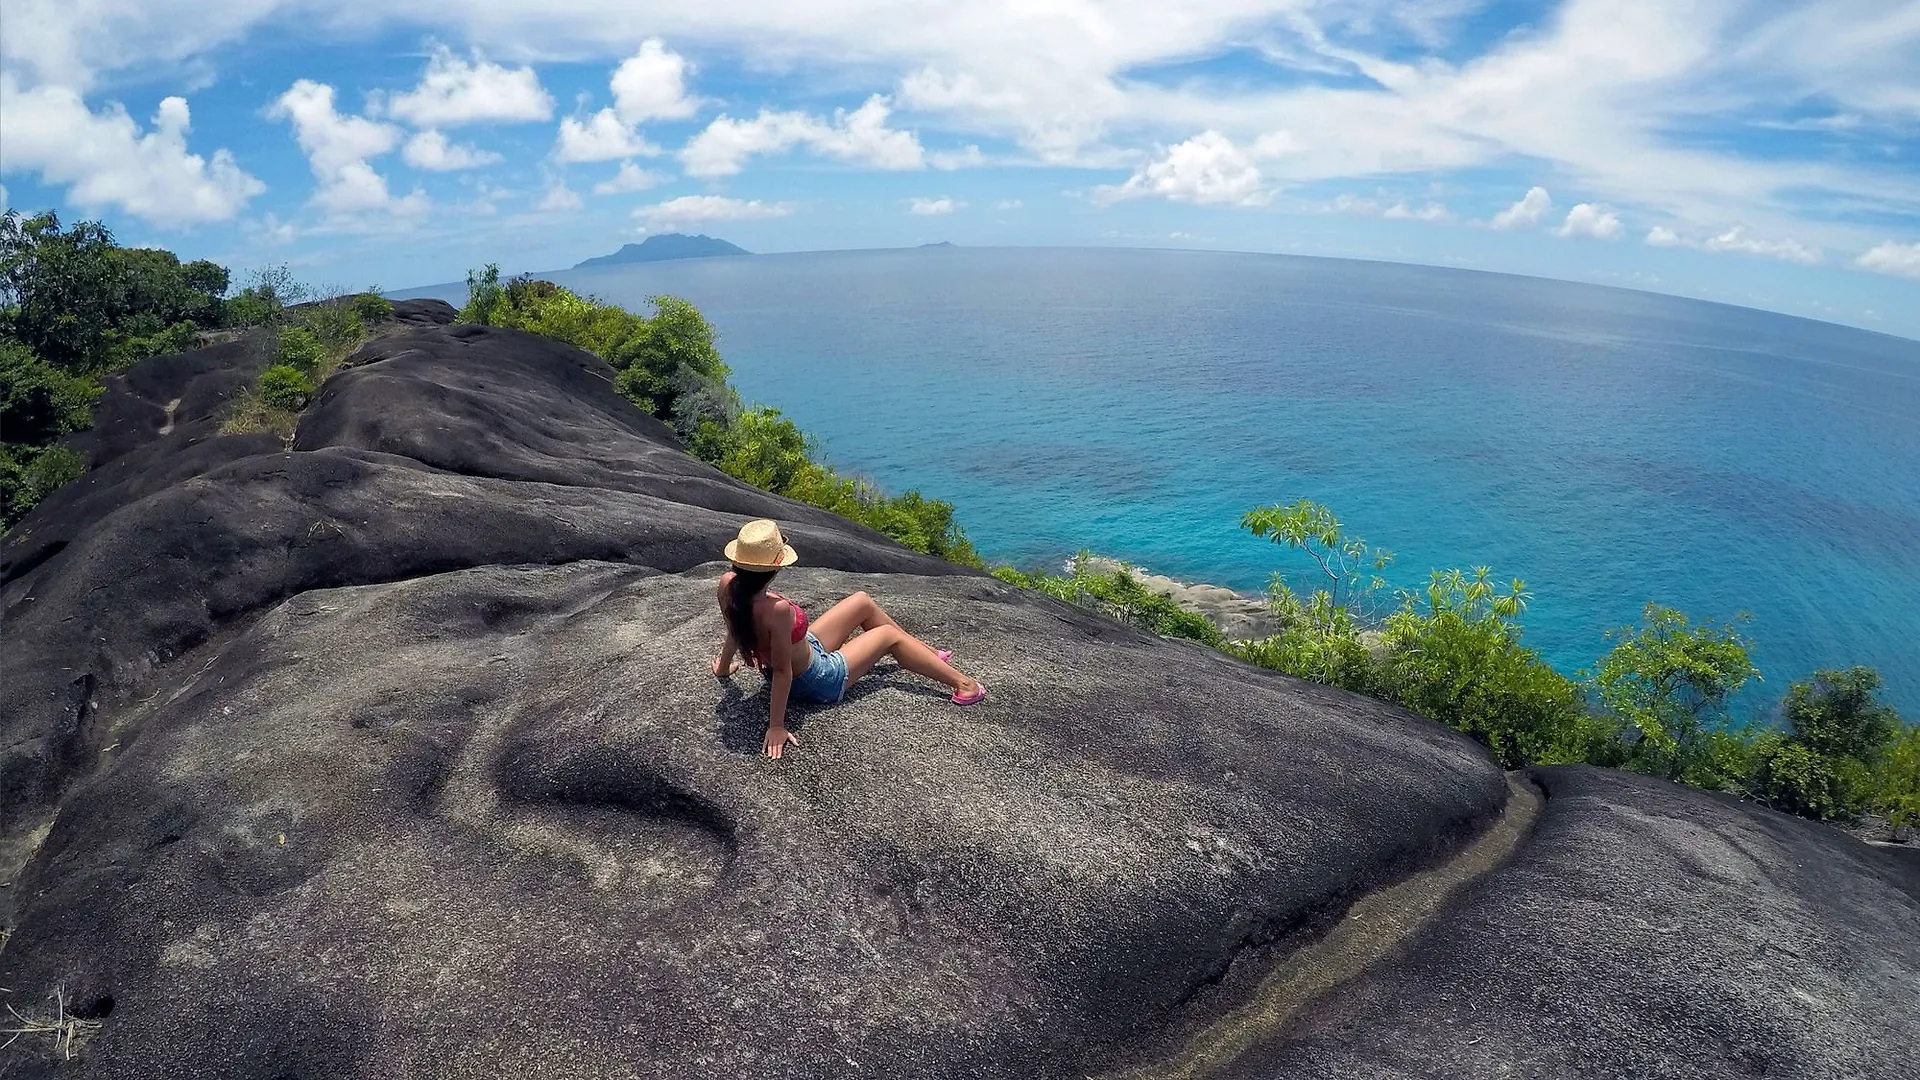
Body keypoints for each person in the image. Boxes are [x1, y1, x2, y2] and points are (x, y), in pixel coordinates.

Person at [712, 518, 987, 758]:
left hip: (807, 650)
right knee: (888, 636)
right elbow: (783, 672)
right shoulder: (777, 611)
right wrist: (776, 725)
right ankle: (964, 684)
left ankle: (924, 651)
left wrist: (724, 668)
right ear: (775, 567)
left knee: (862, 602)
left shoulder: (728, 585)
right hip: (817, 679)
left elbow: (734, 630)